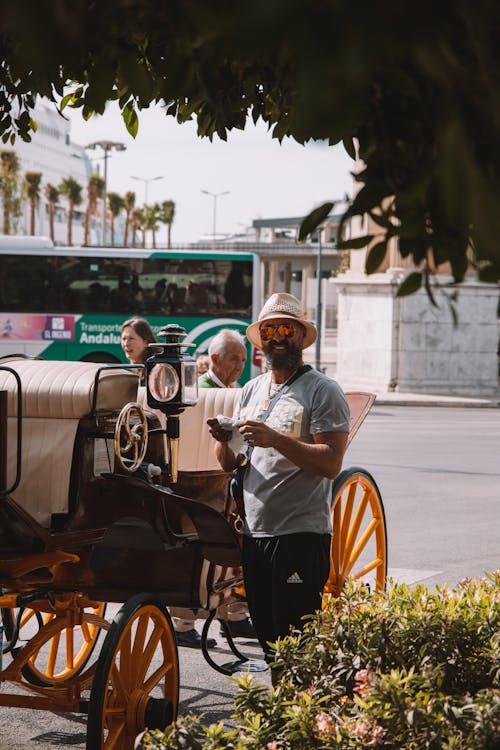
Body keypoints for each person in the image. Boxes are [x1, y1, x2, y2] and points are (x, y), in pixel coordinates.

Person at [208, 293, 350, 682]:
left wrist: (276, 439)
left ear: (301, 337)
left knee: (295, 644)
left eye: (287, 328)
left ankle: (295, 730)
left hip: (300, 534)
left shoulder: (323, 391)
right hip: (256, 532)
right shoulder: (251, 391)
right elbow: (229, 463)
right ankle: (282, 725)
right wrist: (225, 437)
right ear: (261, 340)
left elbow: (331, 462)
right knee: (271, 641)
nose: (278, 336)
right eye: (269, 330)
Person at [120, 316, 216, 650]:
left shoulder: (157, 375)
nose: (126, 343)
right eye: (123, 338)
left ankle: (190, 614)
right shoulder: (125, 376)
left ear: (147, 341)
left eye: (131, 338)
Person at [198, 329, 256, 639]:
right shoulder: (211, 392)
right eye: (235, 359)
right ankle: (232, 611)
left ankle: (232, 611)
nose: (240, 366)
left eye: (244, 360)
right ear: (215, 360)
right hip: (212, 476)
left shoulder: (232, 389)